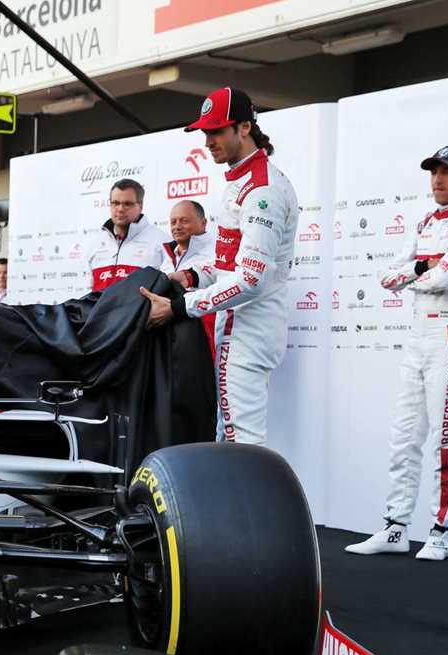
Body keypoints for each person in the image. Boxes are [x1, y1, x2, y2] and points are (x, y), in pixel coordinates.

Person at [346, 147, 448, 559]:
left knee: (445, 437)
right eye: (434, 173)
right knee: (405, 435)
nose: (438, 180)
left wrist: (418, 272)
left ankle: (441, 532)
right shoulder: (425, 220)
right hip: (419, 332)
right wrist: (421, 269)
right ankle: (395, 527)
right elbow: (388, 274)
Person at [143, 87, 298, 446]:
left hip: (250, 329)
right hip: (235, 328)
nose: (208, 141)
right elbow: (230, 265)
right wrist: (191, 276)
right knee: (227, 440)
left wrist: (180, 306)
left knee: (241, 443)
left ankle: (250, 505)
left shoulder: (262, 191)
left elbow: (252, 280)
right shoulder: (239, 182)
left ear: (244, 127)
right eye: (205, 132)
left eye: (217, 131)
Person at [84, 179, 178, 293]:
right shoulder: (96, 243)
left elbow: (170, 291)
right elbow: (87, 291)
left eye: (127, 204)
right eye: (115, 203)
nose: (120, 209)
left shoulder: (163, 242)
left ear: (140, 205)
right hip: (98, 311)